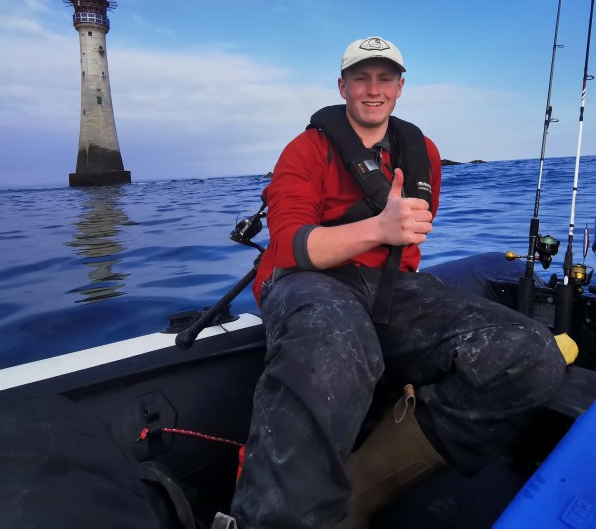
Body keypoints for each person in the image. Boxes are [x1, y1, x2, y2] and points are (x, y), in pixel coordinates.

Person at [225, 37, 566, 529]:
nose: (373, 89)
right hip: (307, 280)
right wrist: (377, 229)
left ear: (401, 87)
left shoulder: (422, 151)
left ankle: (356, 498)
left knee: (528, 351)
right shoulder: (306, 149)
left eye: (384, 77)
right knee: (335, 339)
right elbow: (289, 247)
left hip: (390, 286)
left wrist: (391, 238)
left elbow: (412, 237)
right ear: (342, 86)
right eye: (360, 77)